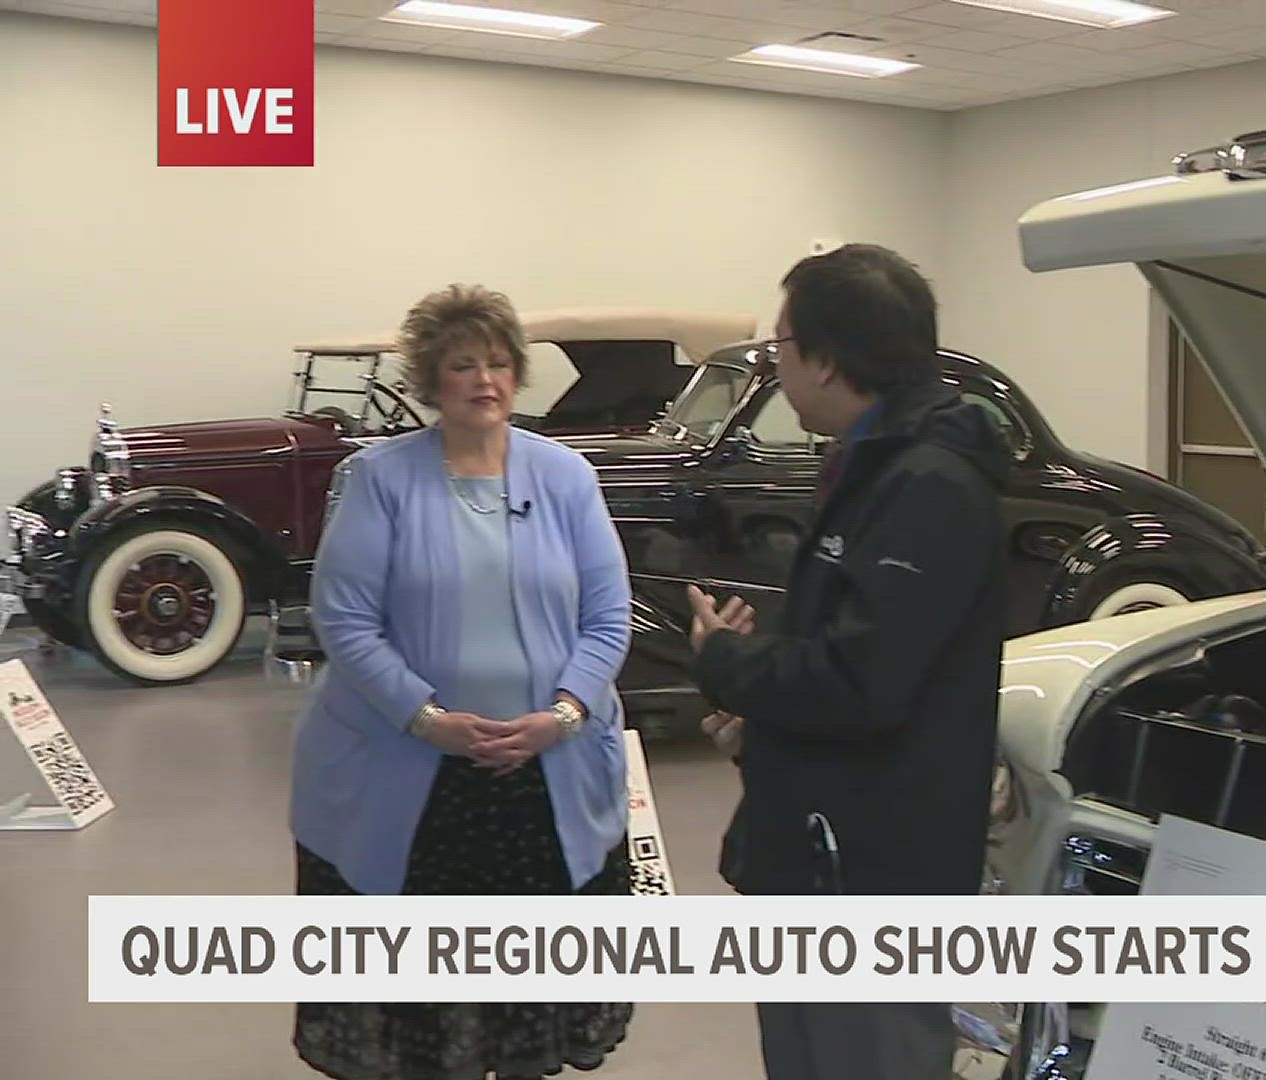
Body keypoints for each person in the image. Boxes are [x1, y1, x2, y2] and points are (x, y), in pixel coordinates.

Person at [287, 283, 636, 1080]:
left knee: (527, 997)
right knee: (424, 1008)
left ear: (519, 375)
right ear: (431, 381)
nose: (485, 379)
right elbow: (344, 619)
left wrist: (567, 712)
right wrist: (426, 717)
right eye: (462, 365)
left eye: (499, 363)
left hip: (543, 776)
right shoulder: (379, 479)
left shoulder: (567, 477)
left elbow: (609, 618)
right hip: (411, 780)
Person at [687, 243, 1011, 1080]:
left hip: (873, 874)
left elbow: (864, 682)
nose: (779, 361)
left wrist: (727, 660)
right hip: (820, 845)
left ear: (828, 359)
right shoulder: (871, 468)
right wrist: (759, 713)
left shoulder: (927, 485)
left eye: (784, 343)